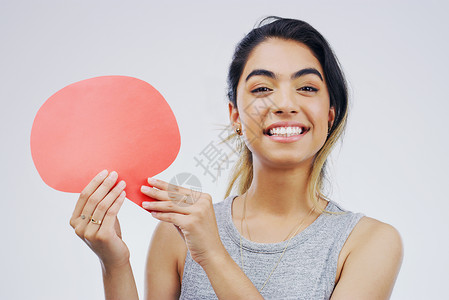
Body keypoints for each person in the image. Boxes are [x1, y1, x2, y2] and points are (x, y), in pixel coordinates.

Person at [69, 16, 404, 299]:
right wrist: (113, 263)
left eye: (306, 88)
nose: (284, 104)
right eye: (261, 89)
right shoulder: (177, 233)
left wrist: (213, 254)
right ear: (235, 115)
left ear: (329, 114)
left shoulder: (369, 242)